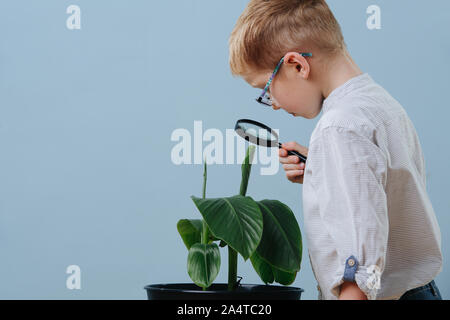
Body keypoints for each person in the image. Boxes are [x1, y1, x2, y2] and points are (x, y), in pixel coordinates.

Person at [228, 0, 443, 300]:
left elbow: (360, 271)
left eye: (265, 89)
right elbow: (380, 191)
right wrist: (325, 172)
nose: (273, 103)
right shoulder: (379, 103)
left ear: (297, 65)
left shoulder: (339, 129)